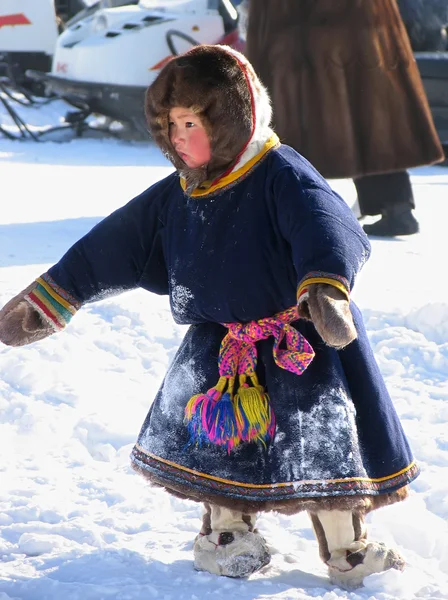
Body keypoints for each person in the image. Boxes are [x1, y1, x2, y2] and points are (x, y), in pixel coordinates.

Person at [0, 45, 419, 590]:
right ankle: (228, 536)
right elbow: (116, 243)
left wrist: (326, 287)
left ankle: (347, 547)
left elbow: (326, 223)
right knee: (221, 450)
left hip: (300, 343)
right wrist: (54, 297)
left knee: (322, 447)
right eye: (169, 125)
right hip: (221, 349)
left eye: (191, 122)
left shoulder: (280, 173)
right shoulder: (177, 194)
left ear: (232, 118)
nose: (177, 137)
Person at [245, 0, 445, 237]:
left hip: (305, 28)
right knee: (367, 108)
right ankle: (396, 207)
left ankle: (299, 209)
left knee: (300, 116)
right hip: (362, 21)